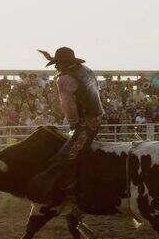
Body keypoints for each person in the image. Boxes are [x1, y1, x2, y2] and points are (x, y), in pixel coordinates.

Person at [30, 47, 105, 203]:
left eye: (57, 63)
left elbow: (68, 104)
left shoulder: (64, 79)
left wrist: (73, 123)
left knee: (66, 156)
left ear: (64, 63)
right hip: (96, 115)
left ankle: (71, 194)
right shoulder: (85, 70)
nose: (56, 67)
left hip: (87, 121)